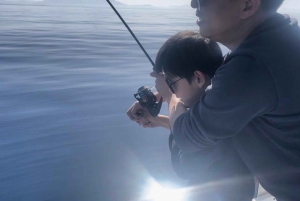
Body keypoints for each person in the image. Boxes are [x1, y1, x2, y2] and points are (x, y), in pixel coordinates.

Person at [128, 0, 300, 200]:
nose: (193, 4)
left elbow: (187, 136)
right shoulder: (279, 37)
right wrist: (161, 97)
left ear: (247, 5)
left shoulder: (251, 67)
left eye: (204, 0)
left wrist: (169, 93)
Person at [132, 31, 255, 201]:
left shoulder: (216, 118)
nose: (170, 89)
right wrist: (159, 120)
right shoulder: (223, 98)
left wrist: (169, 96)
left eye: (171, 82)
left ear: (198, 77)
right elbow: (195, 132)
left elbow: (185, 166)